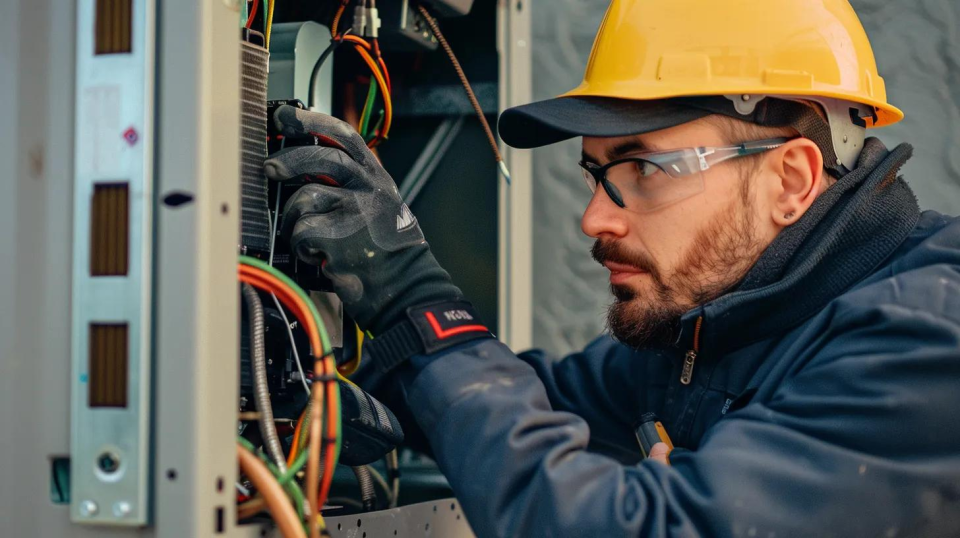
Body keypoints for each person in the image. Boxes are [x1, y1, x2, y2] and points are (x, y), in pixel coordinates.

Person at [264, 0, 960, 535]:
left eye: (643, 168)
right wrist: (330, 382)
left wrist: (417, 301)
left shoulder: (925, 342)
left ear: (791, 181)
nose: (595, 219)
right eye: (596, 173)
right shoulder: (716, 327)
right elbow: (549, 400)